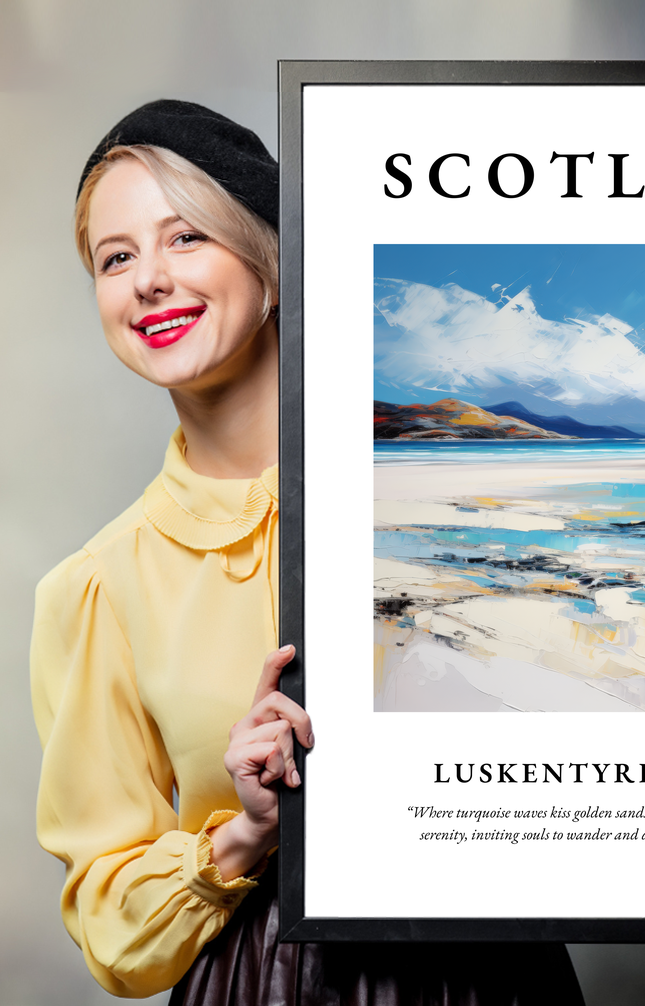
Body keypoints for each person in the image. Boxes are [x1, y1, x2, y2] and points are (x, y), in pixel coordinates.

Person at [30, 100, 586, 1004]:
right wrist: (245, 832)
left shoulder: (443, 504)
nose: (148, 281)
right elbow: (110, 924)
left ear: (273, 263)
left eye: (185, 238)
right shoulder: (97, 587)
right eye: (116, 257)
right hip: (262, 982)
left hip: (493, 972)